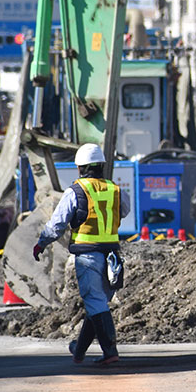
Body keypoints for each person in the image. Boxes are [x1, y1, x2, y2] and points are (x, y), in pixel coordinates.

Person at [32, 143, 130, 366]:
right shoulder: (115, 189)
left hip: (88, 255)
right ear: (102, 166)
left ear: (80, 168)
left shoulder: (76, 191)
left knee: (95, 302)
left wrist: (41, 243)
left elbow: (57, 224)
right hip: (112, 255)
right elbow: (124, 210)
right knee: (98, 302)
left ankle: (110, 351)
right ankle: (79, 351)